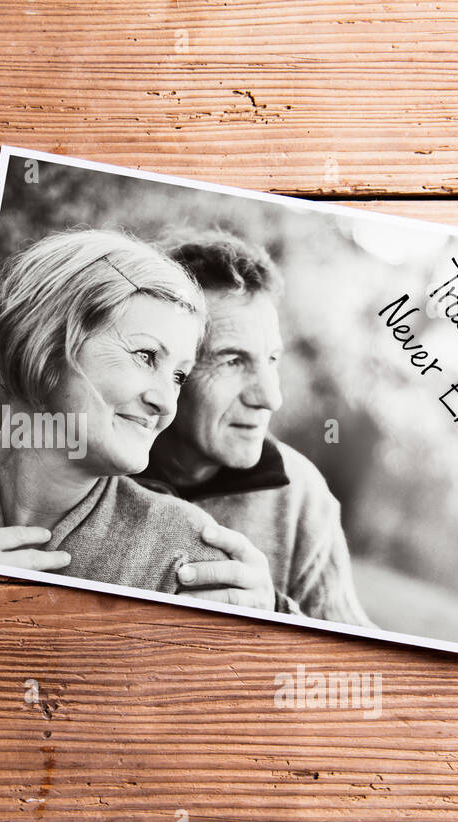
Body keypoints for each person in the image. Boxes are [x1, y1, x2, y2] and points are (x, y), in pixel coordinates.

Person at [0, 227, 275, 607]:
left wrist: (270, 617)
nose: (167, 402)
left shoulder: (191, 556)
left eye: (179, 376)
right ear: (47, 342)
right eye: (146, 356)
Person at [140, 230, 373, 626]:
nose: (270, 397)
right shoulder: (90, 465)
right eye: (232, 361)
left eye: (271, 359)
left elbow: (359, 651)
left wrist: (277, 614)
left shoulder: (302, 495)